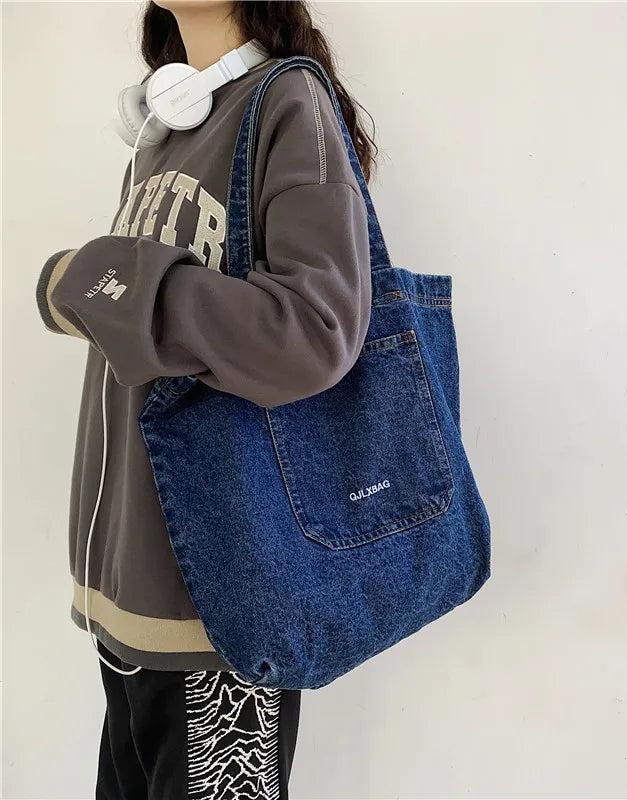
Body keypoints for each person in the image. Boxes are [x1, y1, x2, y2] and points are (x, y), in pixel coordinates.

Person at [34, 1, 374, 797]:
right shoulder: (169, 128)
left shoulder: (288, 100)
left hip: (219, 616)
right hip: (130, 602)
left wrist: (97, 278)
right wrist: (108, 289)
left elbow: (313, 331)